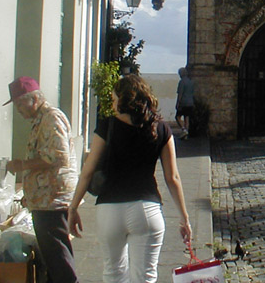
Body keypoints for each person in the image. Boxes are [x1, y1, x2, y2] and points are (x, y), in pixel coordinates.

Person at [68, 75, 192, 283]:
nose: (113, 103)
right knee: (145, 277)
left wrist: (73, 208)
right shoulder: (161, 128)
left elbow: (87, 171)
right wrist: (184, 218)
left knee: (113, 273)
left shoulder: (107, 127)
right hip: (147, 209)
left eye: (114, 98)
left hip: (109, 210)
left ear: (122, 100)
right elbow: (173, 178)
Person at [4, 76, 79, 283]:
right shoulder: (41, 120)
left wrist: (22, 165)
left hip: (52, 199)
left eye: (20, 104)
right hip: (44, 198)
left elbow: (57, 156)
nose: (19, 110)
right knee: (52, 257)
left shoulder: (51, 118)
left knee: (58, 257)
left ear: (34, 100)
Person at [175, 67, 195, 139]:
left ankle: (184, 130)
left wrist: (178, 103)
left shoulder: (182, 82)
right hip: (190, 102)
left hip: (183, 102)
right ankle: (186, 134)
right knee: (187, 118)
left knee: (177, 117)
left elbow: (180, 94)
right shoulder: (191, 82)